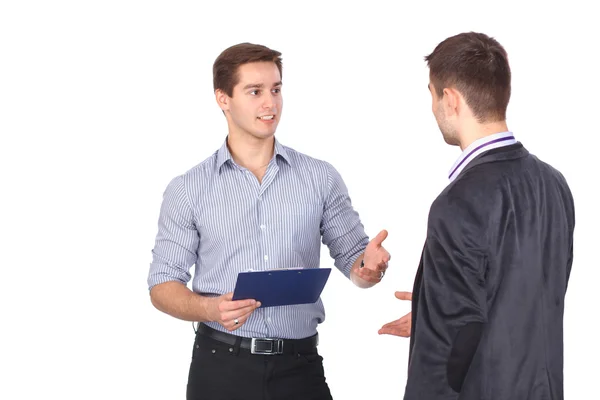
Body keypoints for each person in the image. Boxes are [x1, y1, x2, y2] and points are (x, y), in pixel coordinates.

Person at [147, 42, 391, 400]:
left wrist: (369, 269)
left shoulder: (320, 178)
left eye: (276, 89)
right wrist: (209, 308)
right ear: (223, 99)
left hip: (300, 367)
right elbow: (162, 285)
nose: (270, 103)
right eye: (255, 91)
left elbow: (356, 262)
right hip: (220, 367)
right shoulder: (188, 190)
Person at [380, 32, 575, 399]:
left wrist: (439, 322)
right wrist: (430, 307)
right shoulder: (555, 185)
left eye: (432, 94)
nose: (433, 107)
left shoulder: (458, 202)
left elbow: (443, 358)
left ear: (450, 99)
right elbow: (531, 299)